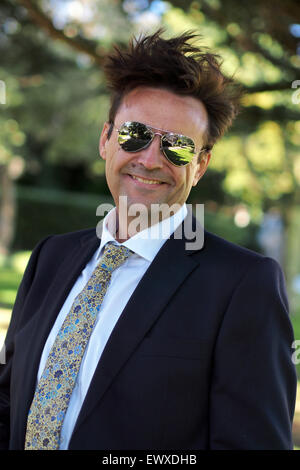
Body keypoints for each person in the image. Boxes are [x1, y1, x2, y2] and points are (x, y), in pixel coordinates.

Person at [0, 30, 296, 451]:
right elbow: (10, 400)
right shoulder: (50, 257)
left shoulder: (243, 285)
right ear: (106, 139)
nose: (151, 159)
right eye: (134, 134)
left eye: (177, 147)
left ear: (201, 165)